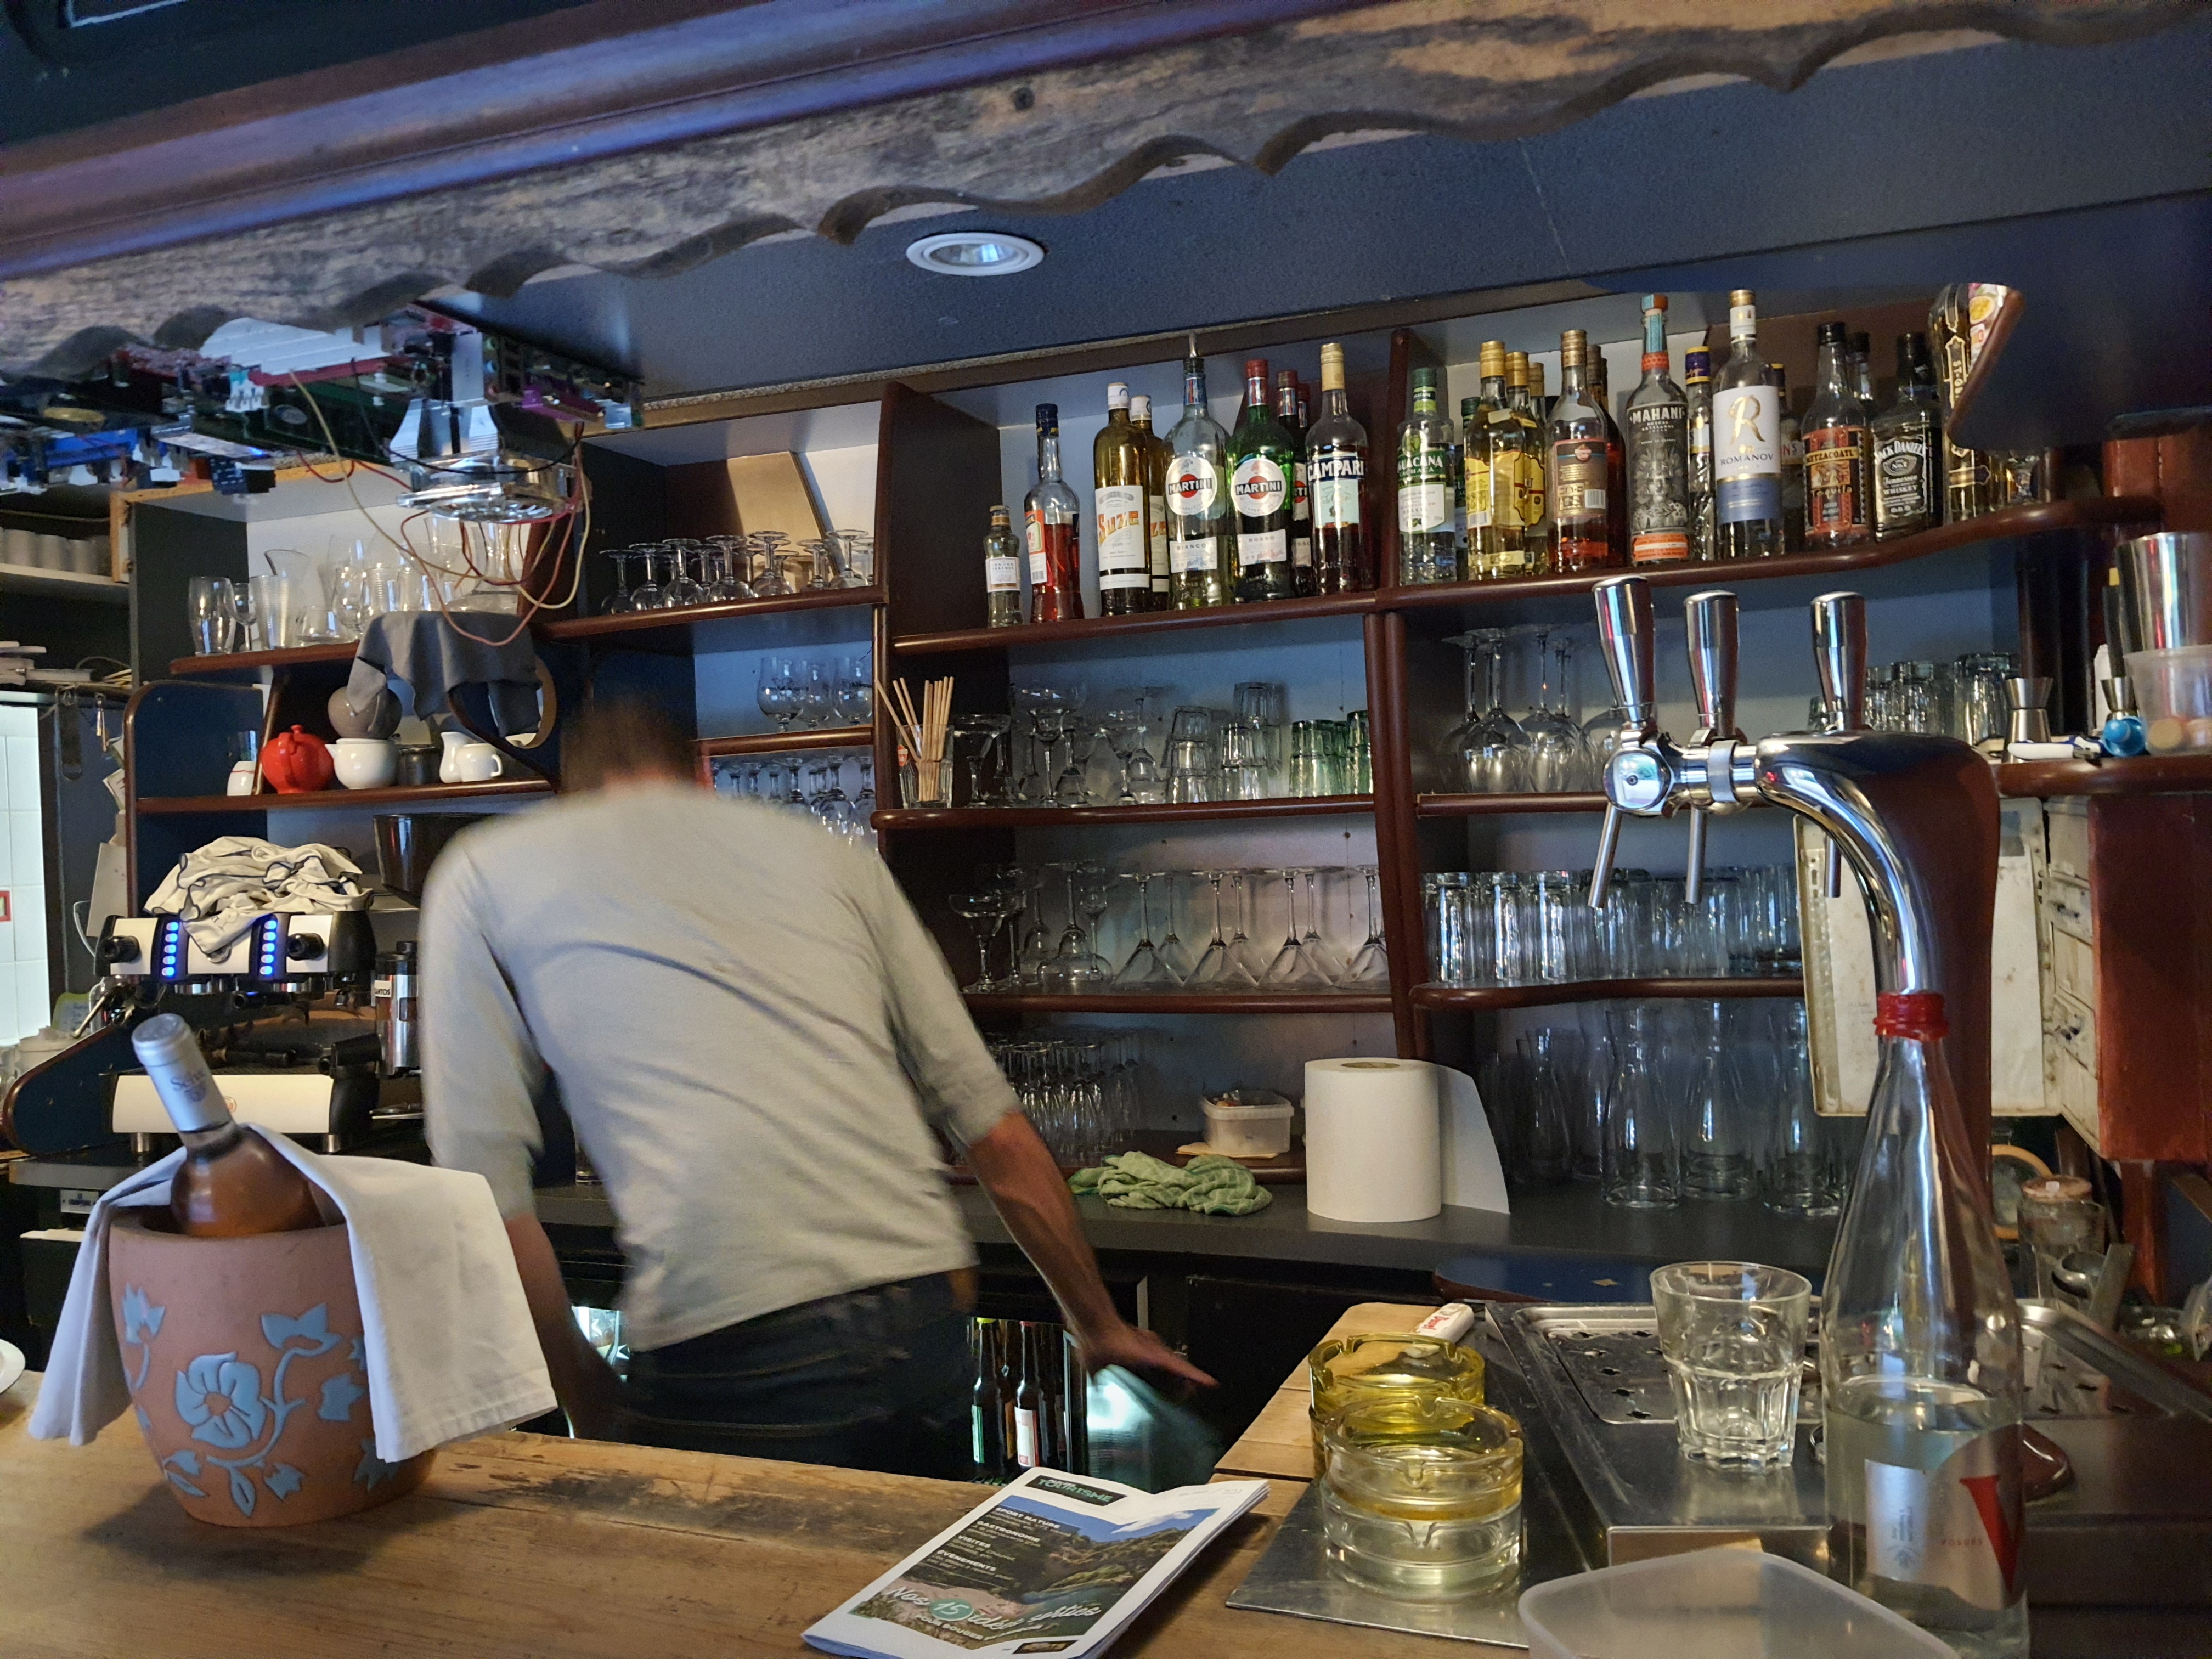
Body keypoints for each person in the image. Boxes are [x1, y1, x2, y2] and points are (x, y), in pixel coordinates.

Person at [420, 698, 1207, 1478]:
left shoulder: (484, 870)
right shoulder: (834, 857)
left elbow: (481, 1188)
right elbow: (992, 1126)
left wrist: (580, 1388)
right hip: (923, 1319)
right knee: (911, 1564)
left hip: (733, 1335)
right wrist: (1096, 1322)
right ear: (704, 774)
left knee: (691, 1566)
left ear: (568, 792)